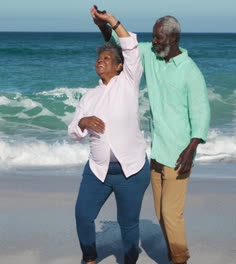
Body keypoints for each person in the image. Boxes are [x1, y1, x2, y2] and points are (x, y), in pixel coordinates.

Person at [92, 9, 211, 264]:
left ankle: (180, 258)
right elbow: (122, 44)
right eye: (154, 38)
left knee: (171, 213)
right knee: (160, 212)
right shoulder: (152, 57)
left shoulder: (190, 72)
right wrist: (105, 24)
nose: (154, 42)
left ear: (174, 39)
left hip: (180, 154)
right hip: (158, 152)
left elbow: (202, 115)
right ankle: (173, 255)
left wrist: (191, 150)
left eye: (158, 38)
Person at [68, 8, 150, 264]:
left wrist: (111, 22)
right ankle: (90, 258)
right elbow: (73, 131)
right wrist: (82, 121)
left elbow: (130, 47)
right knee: (83, 215)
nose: (99, 61)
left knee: (127, 225)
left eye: (106, 58)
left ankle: (129, 259)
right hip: (98, 170)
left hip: (132, 171)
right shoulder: (89, 96)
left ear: (118, 66)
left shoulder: (128, 82)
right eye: (98, 59)